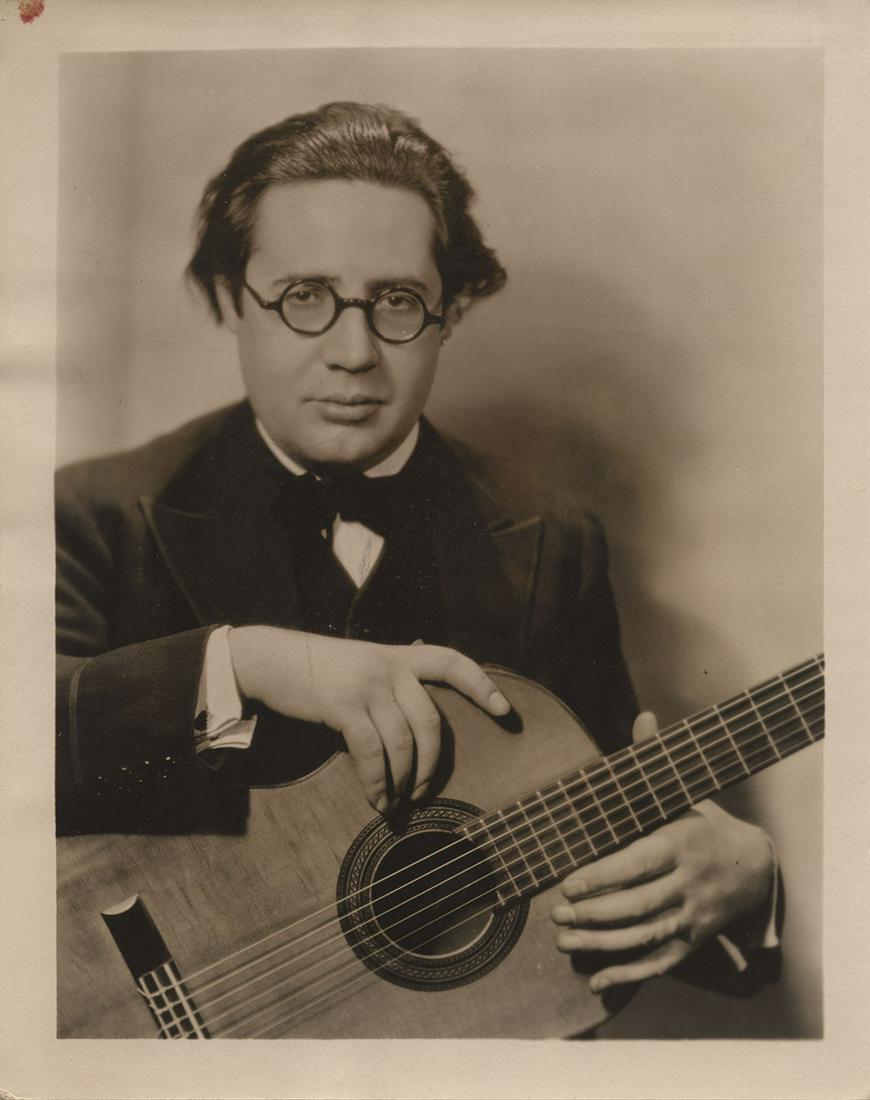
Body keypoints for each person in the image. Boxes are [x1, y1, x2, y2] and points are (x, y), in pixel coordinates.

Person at [55, 101, 779, 1020]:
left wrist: (742, 885)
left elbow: (599, 881)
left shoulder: (550, 540)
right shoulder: (92, 514)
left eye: (396, 301)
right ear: (231, 301)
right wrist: (248, 662)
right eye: (304, 298)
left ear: (450, 313)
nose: (354, 354)